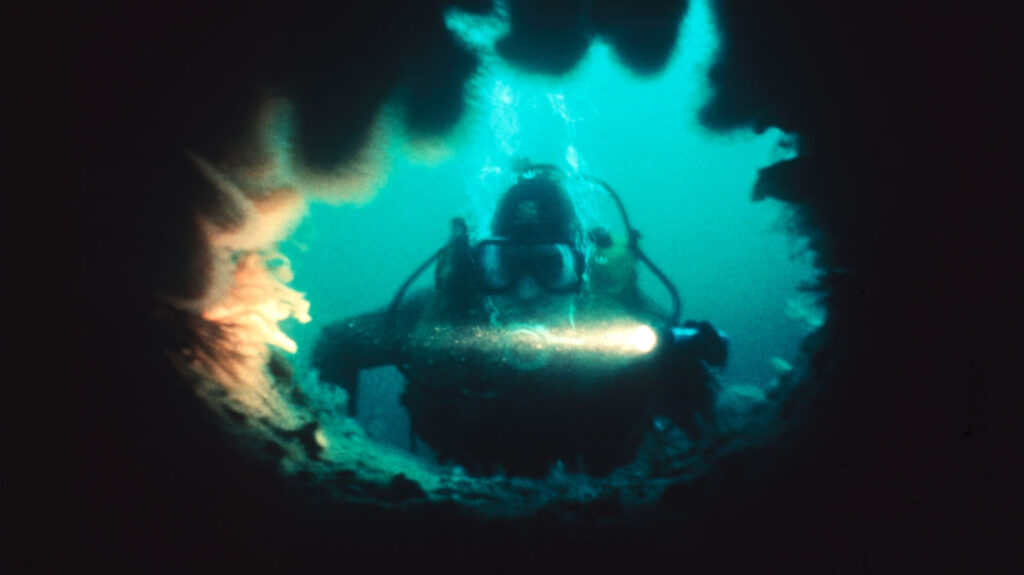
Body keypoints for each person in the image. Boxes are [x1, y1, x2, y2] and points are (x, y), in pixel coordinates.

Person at [313, 164, 727, 476]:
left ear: (579, 270)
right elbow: (337, 343)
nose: (526, 290)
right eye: (506, 265)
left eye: (550, 266)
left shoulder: (618, 315)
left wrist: (686, 369)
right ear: (481, 266)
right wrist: (338, 458)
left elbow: (683, 368)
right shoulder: (444, 313)